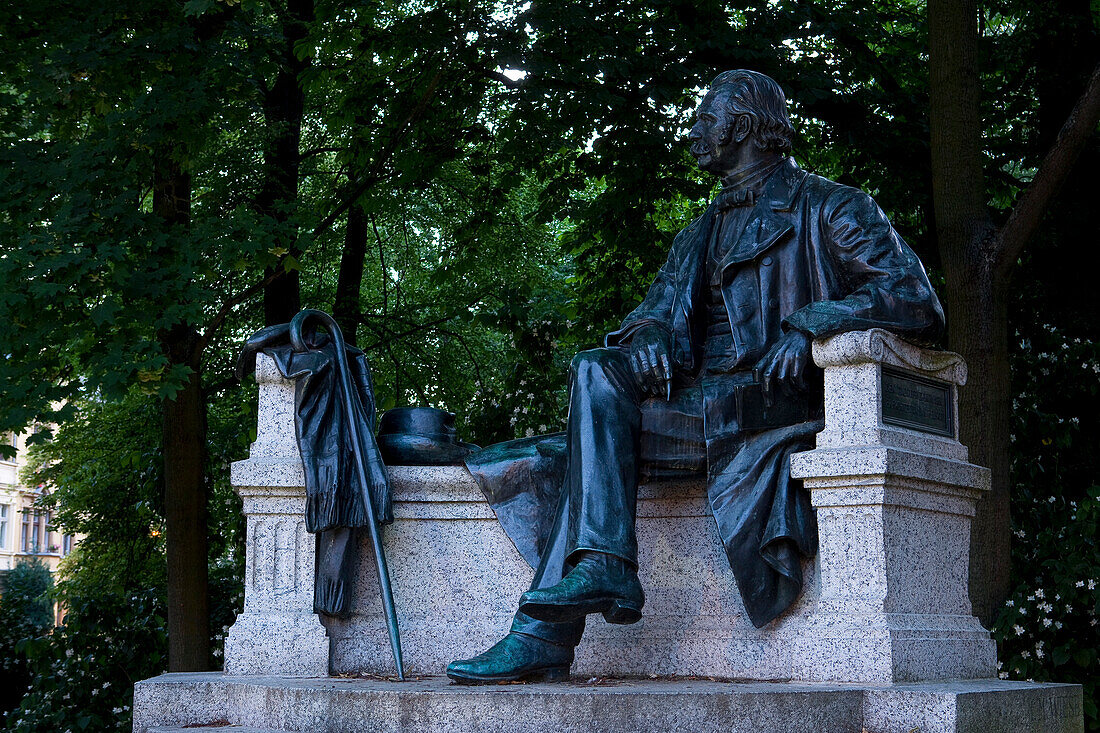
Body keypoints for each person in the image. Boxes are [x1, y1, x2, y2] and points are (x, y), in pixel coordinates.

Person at [447, 69, 944, 684]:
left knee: (578, 444)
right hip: (696, 405)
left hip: (772, 400)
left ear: (741, 124)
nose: (692, 134)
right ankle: (597, 571)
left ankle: (546, 633)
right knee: (592, 378)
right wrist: (652, 333)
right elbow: (650, 316)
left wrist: (814, 319)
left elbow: (914, 297)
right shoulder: (696, 234)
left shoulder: (831, 207)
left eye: (704, 119)